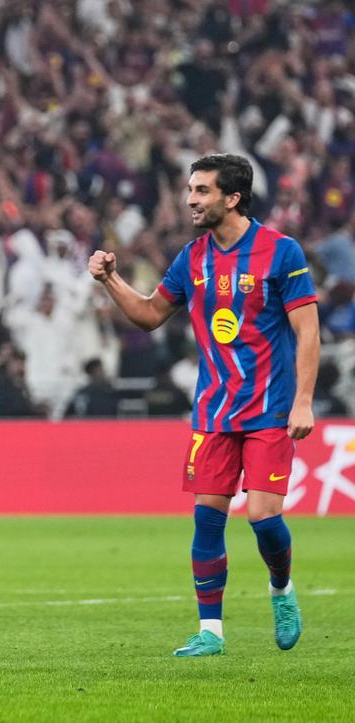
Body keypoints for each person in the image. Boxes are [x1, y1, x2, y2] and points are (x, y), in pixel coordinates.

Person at [89, 153, 319, 657]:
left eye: (201, 191)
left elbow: (307, 331)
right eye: (190, 190)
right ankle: (210, 632)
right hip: (214, 411)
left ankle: (280, 588)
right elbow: (150, 315)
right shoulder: (193, 258)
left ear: (232, 197)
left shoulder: (281, 252)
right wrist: (110, 279)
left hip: (270, 409)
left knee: (263, 518)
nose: (190, 199)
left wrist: (303, 401)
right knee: (207, 518)